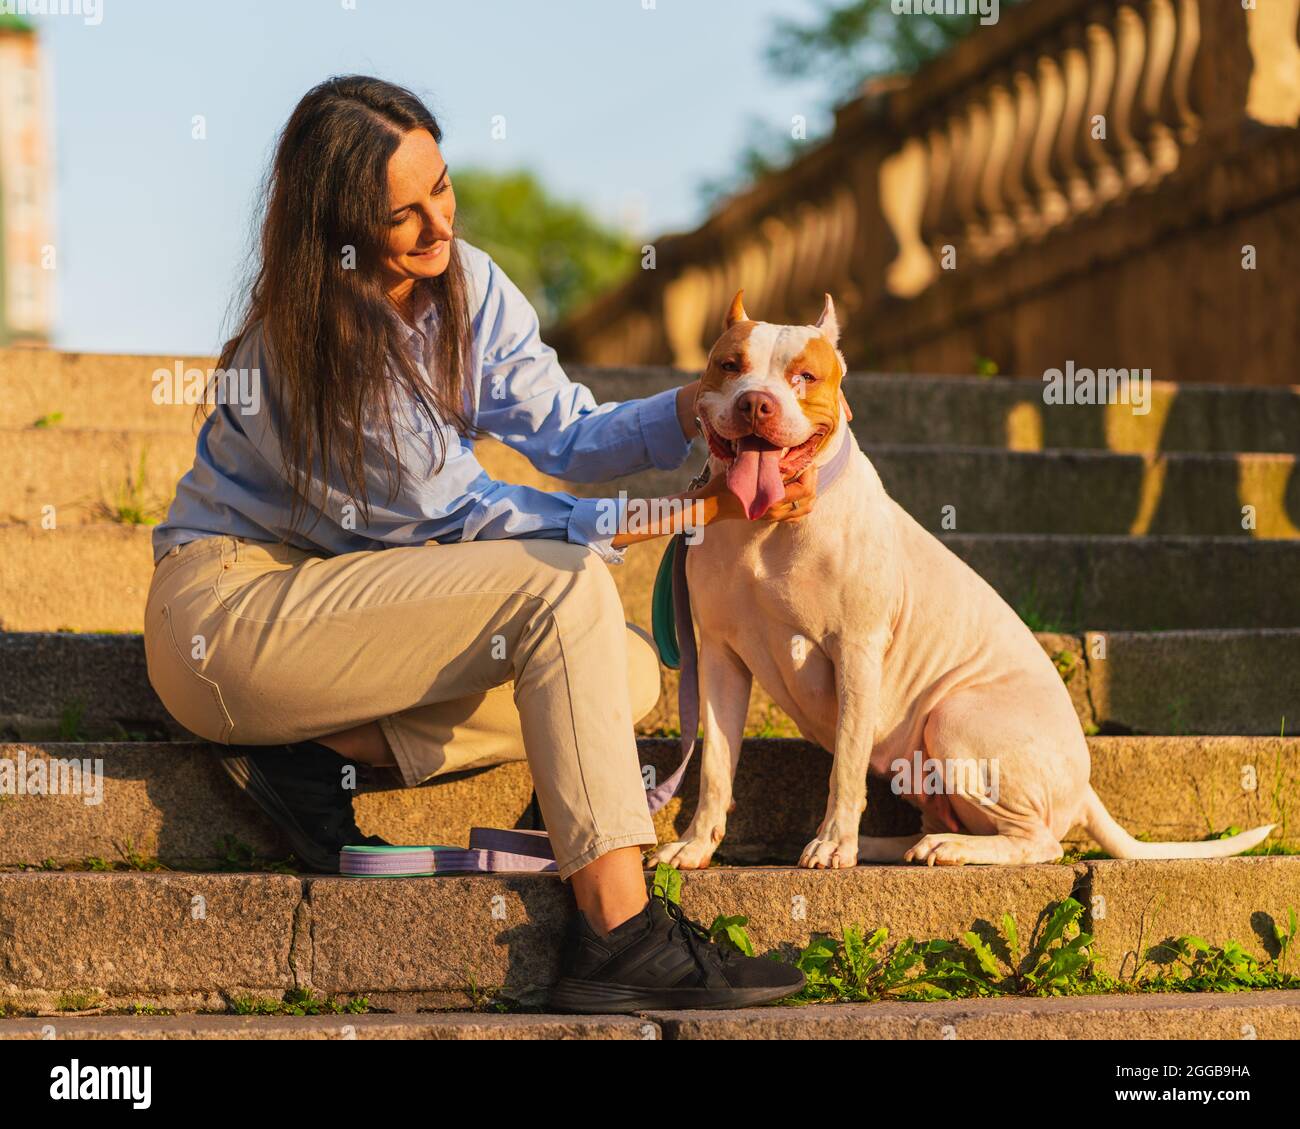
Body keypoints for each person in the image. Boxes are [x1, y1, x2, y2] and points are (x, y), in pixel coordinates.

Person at [145, 75, 811, 1012]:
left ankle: (315, 747)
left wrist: (699, 412)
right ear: (334, 227)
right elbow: (452, 511)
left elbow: (568, 435)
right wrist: (655, 519)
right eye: (401, 215)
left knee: (624, 676)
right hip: (229, 620)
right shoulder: (304, 348)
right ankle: (620, 932)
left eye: (443, 188)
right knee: (564, 588)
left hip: (351, 615)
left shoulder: (465, 285)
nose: (437, 227)